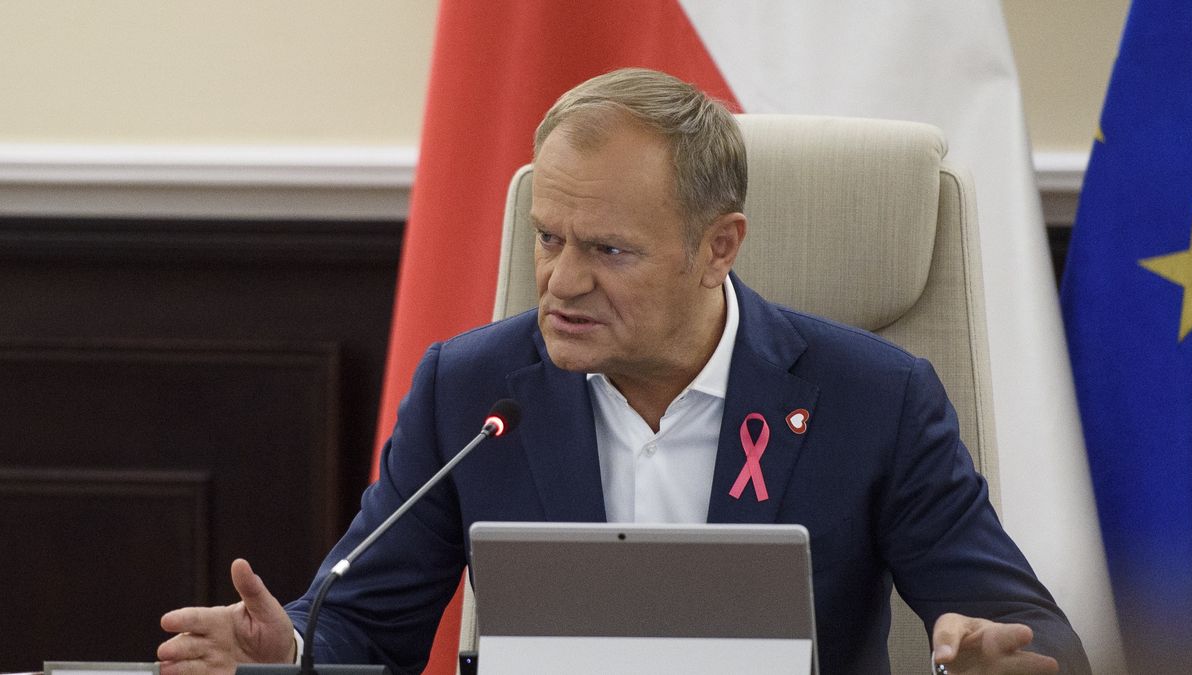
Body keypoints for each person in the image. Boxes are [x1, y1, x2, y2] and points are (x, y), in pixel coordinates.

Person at [158, 68, 1089, 674]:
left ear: (718, 247)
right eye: (548, 239)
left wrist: (1002, 656)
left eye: (608, 249)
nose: (560, 282)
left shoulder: (873, 397)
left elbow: (1027, 623)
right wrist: (287, 650)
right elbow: (362, 624)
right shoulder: (471, 388)